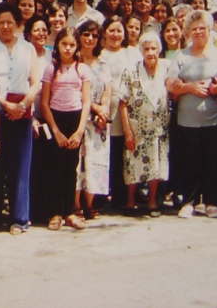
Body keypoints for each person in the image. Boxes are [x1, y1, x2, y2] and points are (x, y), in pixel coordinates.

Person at [0, 3, 40, 234]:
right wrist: (4, 104)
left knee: (20, 166)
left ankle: (19, 218)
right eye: (1, 22)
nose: (5, 27)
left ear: (18, 24)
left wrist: (23, 105)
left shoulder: (28, 49)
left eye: (10, 22)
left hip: (22, 111)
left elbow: (35, 82)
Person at [166, 10, 217, 219]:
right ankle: (189, 201)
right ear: (187, 32)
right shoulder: (181, 56)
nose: (198, 32)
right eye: (194, 29)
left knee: (213, 162)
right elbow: (170, 84)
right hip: (187, 122)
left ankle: (212, 202)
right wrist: (190, 87)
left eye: (202, 28)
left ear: (209, 30)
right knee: (189, 163)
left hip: (216, 120)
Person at [38, 27, 91, 229]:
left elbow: (86, 102)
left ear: (77, 46)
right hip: (55, 119)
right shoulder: (51, 68)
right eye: (64, 44)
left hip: (74, 119)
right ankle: (55, 212)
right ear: (57, 45)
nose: (67, 49)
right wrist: (56, 131)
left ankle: (69, 211)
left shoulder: (82, 69)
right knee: (54, 168)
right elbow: (44, 102)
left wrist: (79, 131)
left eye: (71, 44)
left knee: (71, 168)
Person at [118, 32, 170, 217]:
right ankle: (130, 202)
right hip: (136, 127)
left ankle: (152, 203)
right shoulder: (131, 71)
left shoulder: (166, 69)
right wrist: (127, 131)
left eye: (153, 48)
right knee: (133, 164)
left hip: (157, 129)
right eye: (146, 49)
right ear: (141, 51)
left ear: (159, 50)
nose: (150, 52)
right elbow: (122, 102)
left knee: (155, 165)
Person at [98, 16, 142, 209]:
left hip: (128, 110)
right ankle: (102, 195)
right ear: (104, 32)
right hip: (104, 109)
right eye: (111, 30)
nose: (115, 35)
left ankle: (124, 196)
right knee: (108, 153)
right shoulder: (99, 54)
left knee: (125, 153)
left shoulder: (132, 54)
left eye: (119, 31)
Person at [75, 20, 110, 219]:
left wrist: (103, 111)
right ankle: (76, 205)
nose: (90, 39)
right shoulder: (74, 62)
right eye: (86, 34)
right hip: (80, 117)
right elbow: (76, 90)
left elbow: (107, 89)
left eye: (94, 36)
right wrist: (95, 108)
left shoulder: (103, 64)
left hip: (99, 122)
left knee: (95, 162)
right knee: (78, 163)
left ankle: (90, 204)